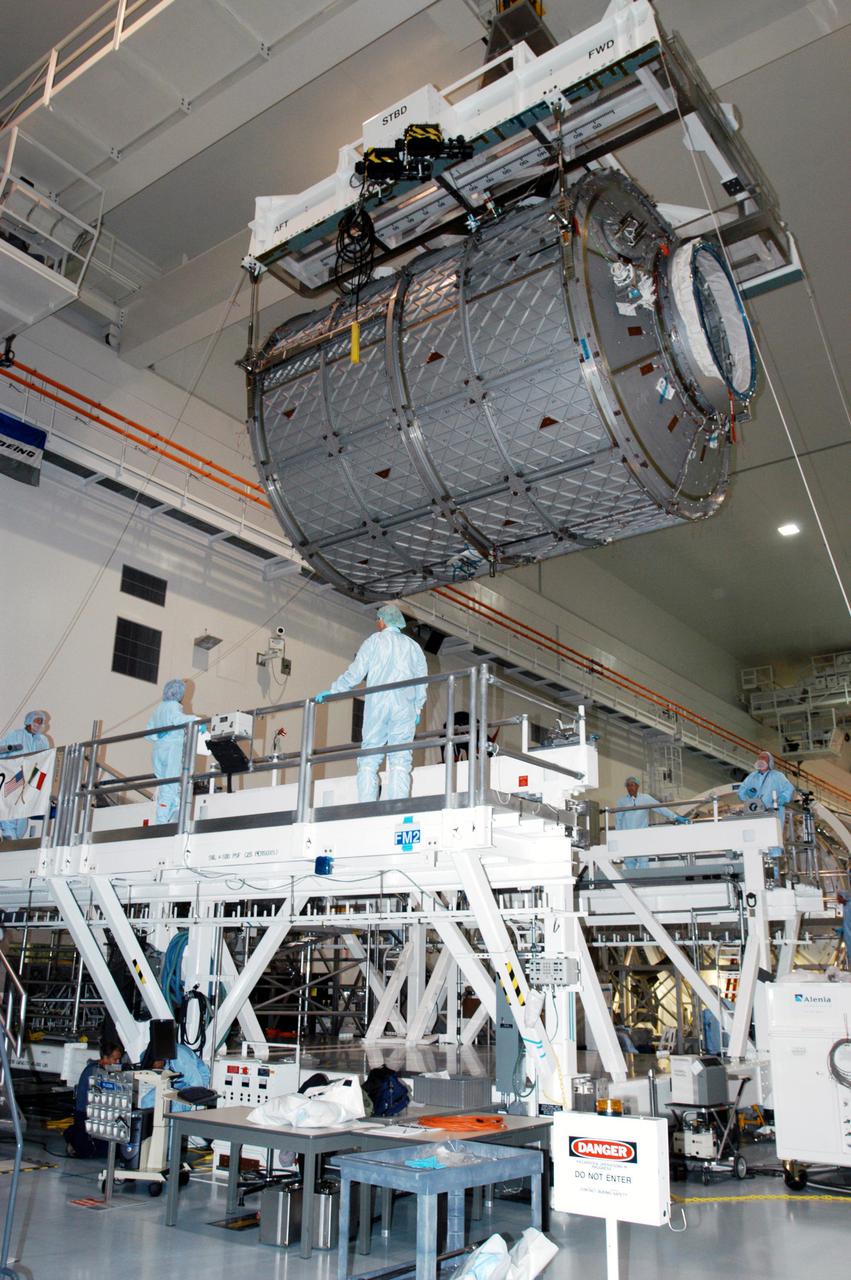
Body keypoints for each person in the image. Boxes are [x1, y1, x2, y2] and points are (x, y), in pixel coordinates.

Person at [316, 604, 427, 802]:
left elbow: (356, 672)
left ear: (383, 621)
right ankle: (399, 806)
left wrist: (334, 690)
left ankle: (366, 806)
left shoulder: (374, 641)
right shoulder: (413, 647)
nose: (377, 623)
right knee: (400, 759)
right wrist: (417, 708)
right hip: (404, 707)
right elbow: (422, 680)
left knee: (369, 758)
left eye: (378, 619)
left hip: (378, 704)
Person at [146, 679, 197, 825]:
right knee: (171, 785)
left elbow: (148, 733)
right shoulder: (174, 706)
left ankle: (169, 812)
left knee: (164, 785)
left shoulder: (158, 708)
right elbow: (177, 719)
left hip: (158, 750)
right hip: (172, 749)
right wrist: (197, 720)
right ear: (180, 693)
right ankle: (162, 819)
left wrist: (159, 735)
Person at [66, 1039, 123, 1158]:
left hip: (97, 1113)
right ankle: (73, 1135)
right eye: (115, 1059)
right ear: (105, 1057)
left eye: (119, 1059)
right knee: (89, 1151)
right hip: (86, 1114)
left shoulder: (104, 1070)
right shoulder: (93, 1072)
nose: (118, 1062)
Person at [0, 709, 50, 840]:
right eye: (37, 721)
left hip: (32, 778)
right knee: (10, 805)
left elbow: (46, 759)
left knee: (23, 810)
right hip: (15, 775)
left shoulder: (43, 740)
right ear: (29, 721)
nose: (39, 724)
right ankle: (9, 834)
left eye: (41, 722)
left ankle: (15, 837)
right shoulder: (15, 735)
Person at [737, 751, 795, 860]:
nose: (760, 760)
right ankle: (757, 859)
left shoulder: (777, 776)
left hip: (773, 812)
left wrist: (783, 798)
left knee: (773, 837)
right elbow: (741, 791)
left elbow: (789, 788)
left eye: (764, 758)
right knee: (756, 839)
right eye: (759, 758)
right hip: (755, 813)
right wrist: (747, 795)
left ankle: (775, 862)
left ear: (770, 762)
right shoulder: (752, 777)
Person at [614, 776, 688, 831]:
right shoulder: (622, 801)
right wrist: (618, 833)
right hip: (626, 834)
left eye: (632, 785)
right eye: (628, 786)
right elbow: (618, 819)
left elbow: (660, 808)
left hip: (642, 833)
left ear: (637, 786)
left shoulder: (645, 798)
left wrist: (675, 817)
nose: (630, 788)